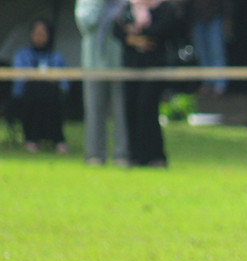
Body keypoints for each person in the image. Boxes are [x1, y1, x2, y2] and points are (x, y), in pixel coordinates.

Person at [114, 0, 184, 167]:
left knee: (147, 108)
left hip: (153, 66)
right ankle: (134, 156)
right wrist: (131, 39)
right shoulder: (127, 8)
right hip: (131, 66)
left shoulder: (163, 7)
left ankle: (154, 155)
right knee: (130, 107)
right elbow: (116, 29)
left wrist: (141, 33)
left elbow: (167, 28)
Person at [76, 0, 130, 166]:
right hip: (93, 63)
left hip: (121, 62)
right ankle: (95, 155)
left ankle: (123, 155)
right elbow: (87, 24)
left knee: (122, 111)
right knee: (94, 110)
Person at [12, 19, 70, 154]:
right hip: (27, 96)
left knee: (48, 93)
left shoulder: (56, 57)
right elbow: (18, 79)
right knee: (35, 90)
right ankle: (46, 139)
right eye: (36, 33)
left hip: (52, 96)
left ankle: (38, 139)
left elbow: (64, 82)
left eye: (43, 33)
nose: (39, 36)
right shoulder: (22, 54)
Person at [190, 0, 232, 97]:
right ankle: (207, 83)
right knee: (201, 53)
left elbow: (226, 3)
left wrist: (228, 19)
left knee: (216, 51)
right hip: (197, 18)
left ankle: (220, 84)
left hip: (215, 17)